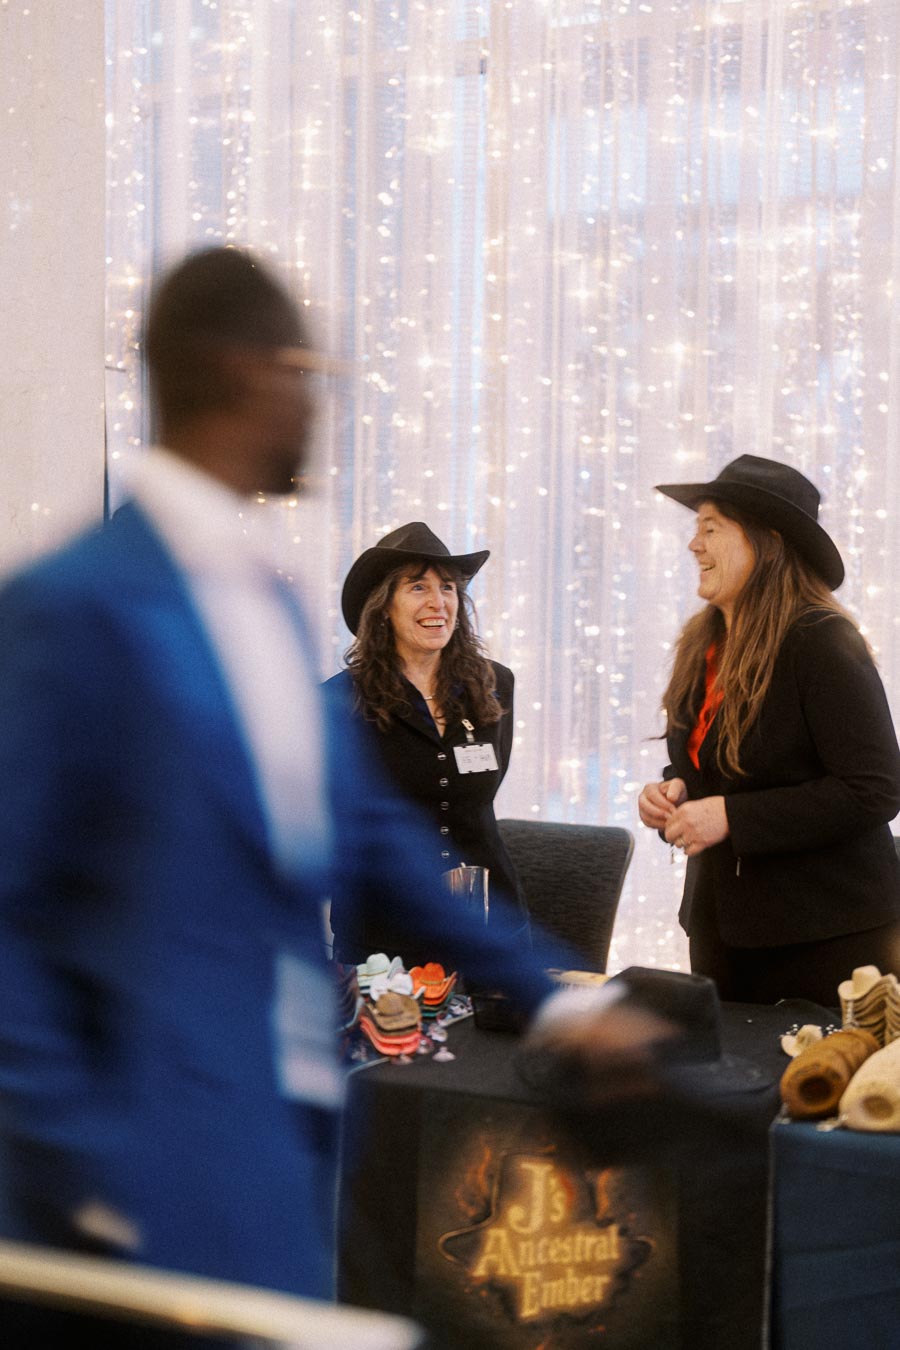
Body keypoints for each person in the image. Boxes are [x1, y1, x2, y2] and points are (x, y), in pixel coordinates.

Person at [0, 246, 665, 1340]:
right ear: (238, 371)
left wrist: (555, 996)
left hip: (284, 1145)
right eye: (308, 370)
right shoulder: (74, 607)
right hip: (137, 1194)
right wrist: (84, 1171)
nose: (320, 401)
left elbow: (365, 836)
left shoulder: (258, 593)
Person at [638, 454, 900, 1007]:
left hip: (825, 940)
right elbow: (715, 765)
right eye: (695, 529)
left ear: (766, 541)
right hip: (721, 929)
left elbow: (874, 788)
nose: (695, 545)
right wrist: (676, 792)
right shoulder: (702, 643)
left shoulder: (822, 641)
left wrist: (729, 816)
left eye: (711, 527)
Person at [324, 522, 528, 964]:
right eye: (418, 587)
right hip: (383, 939)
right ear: (383, 607)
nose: (438, 602)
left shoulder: (496, 685)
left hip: (489, 927)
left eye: (449, 588)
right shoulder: (338, 703)